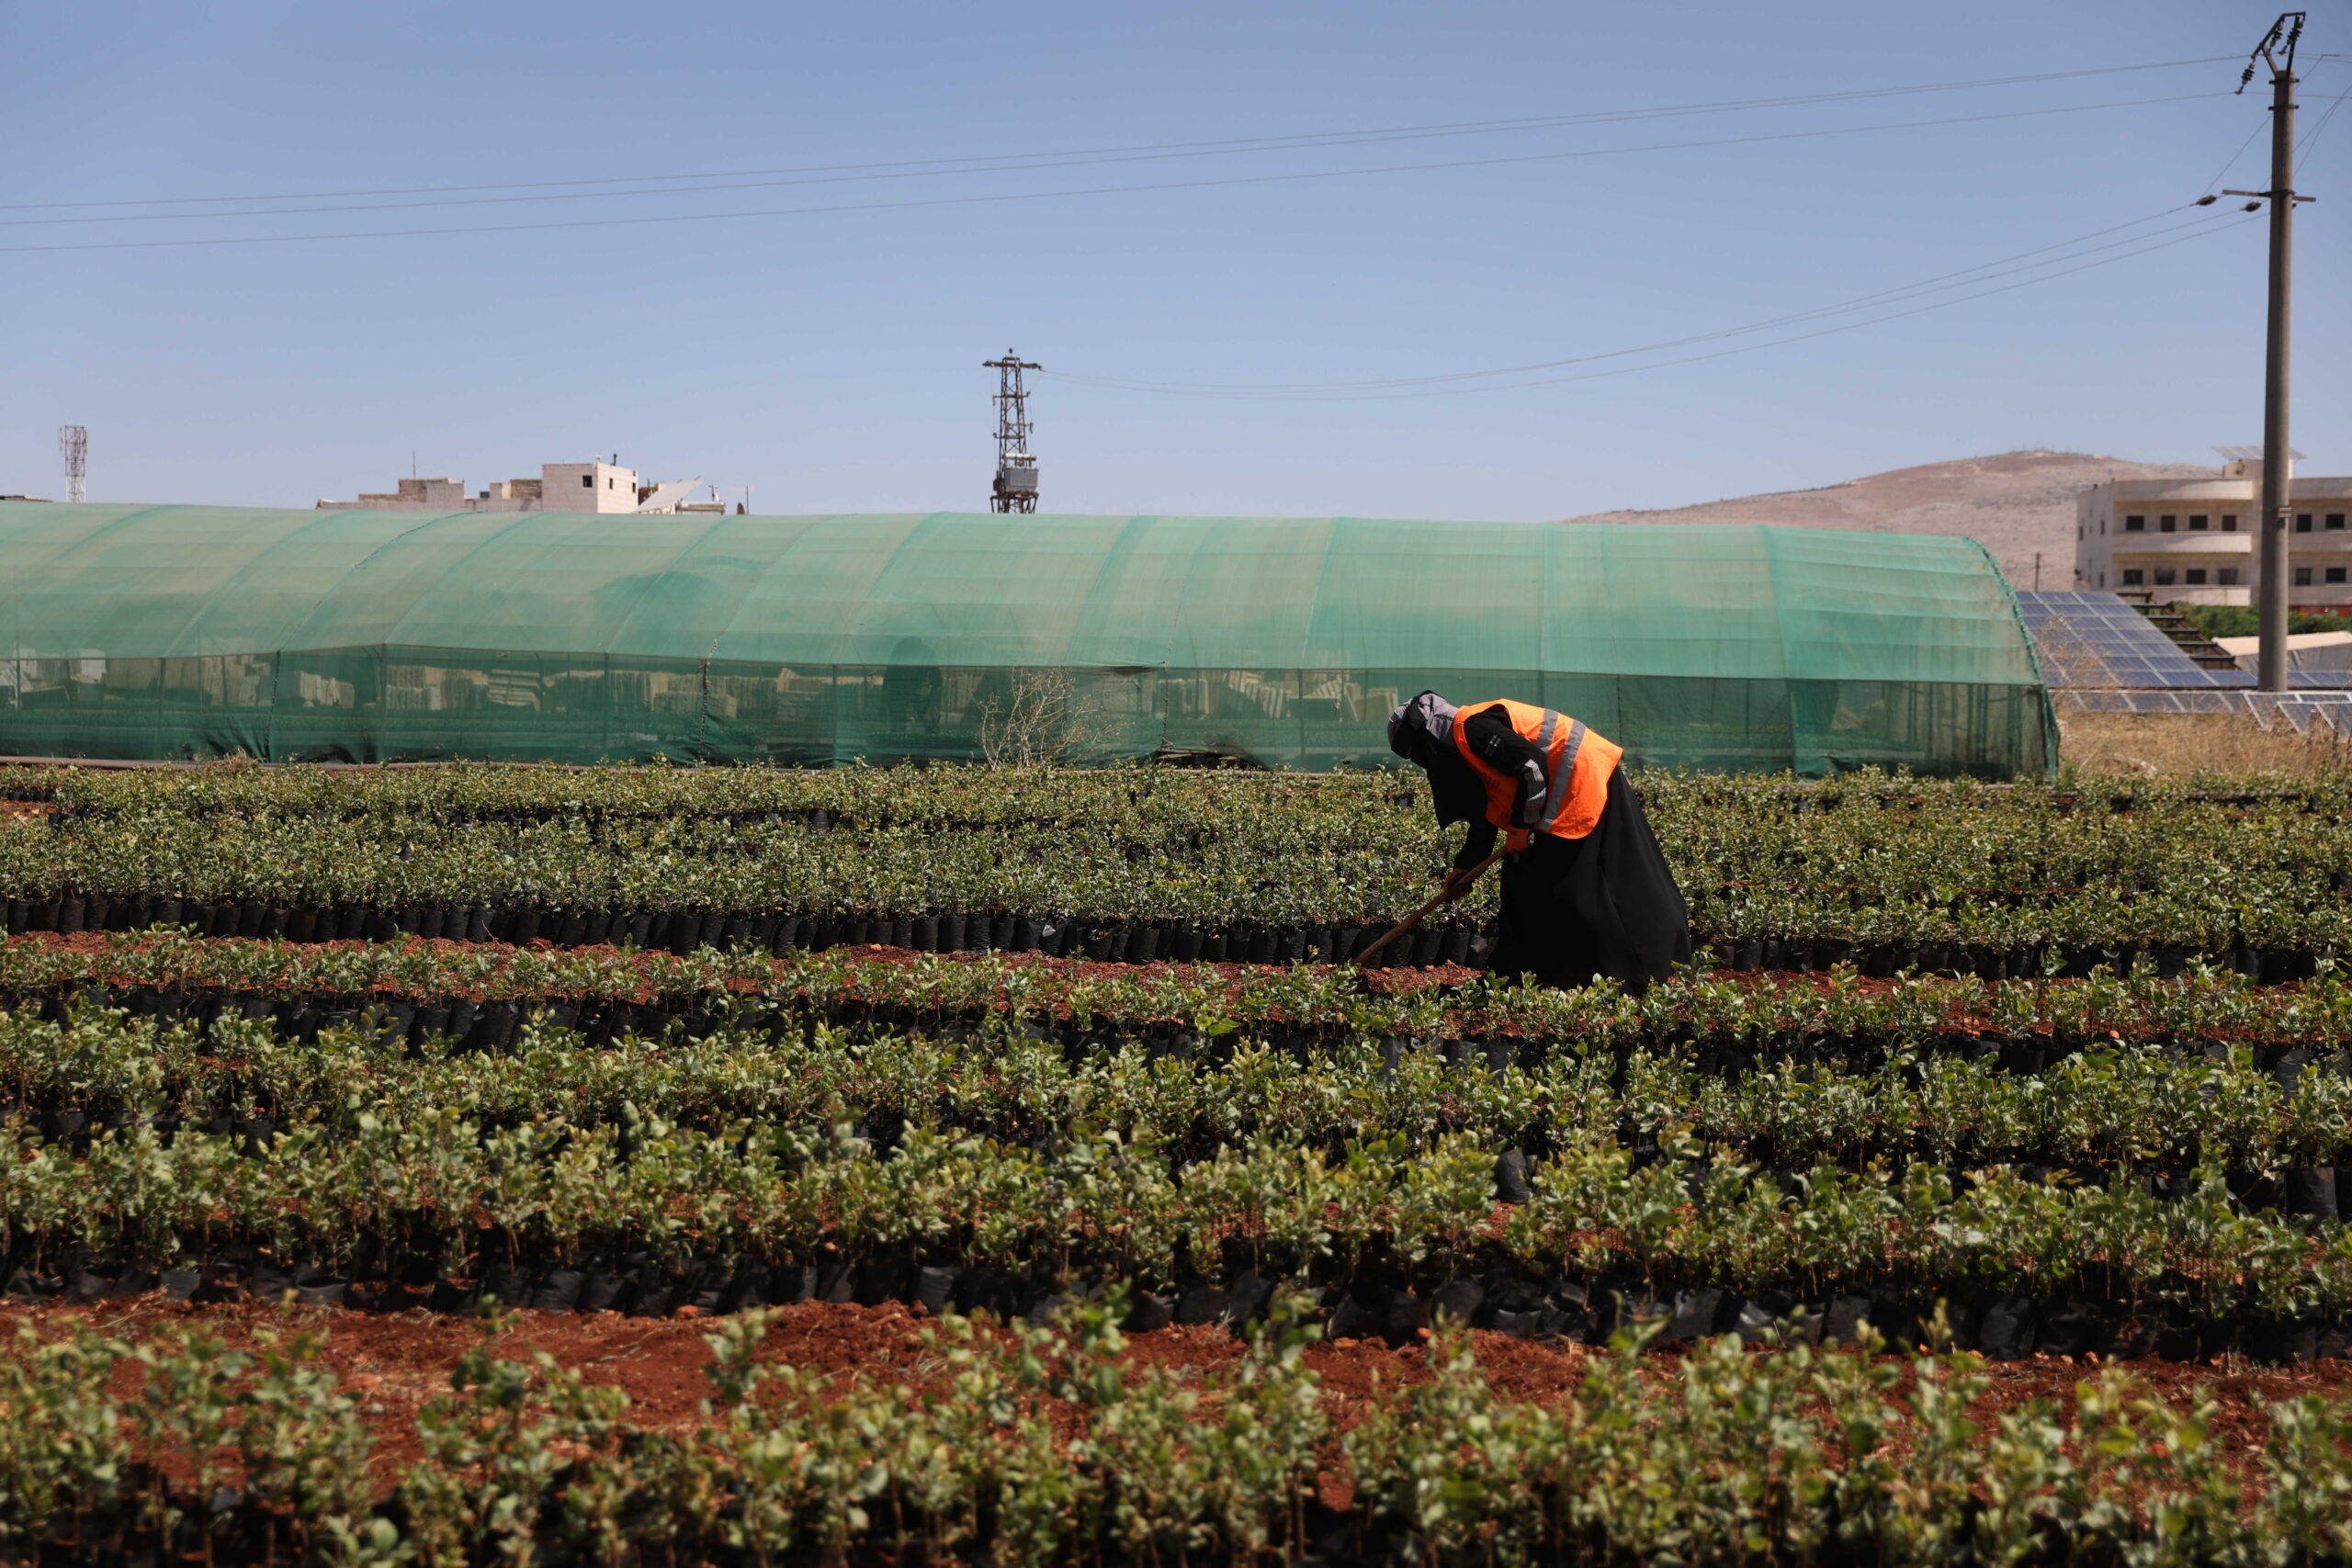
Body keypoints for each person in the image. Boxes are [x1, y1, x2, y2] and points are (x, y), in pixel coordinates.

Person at [1386, 691, 1690, 991]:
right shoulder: (1464, 749)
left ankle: (1626, 975)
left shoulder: (1472, 728)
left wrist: (1521, 825)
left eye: (1418, 755)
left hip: (1581, 780)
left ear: (1426, 739)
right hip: (1553, 794)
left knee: (1572, 889)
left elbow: (1531, 765)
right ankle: (1522, 978)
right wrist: (1464, 868)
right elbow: (1484, 815)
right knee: (1521, 880)